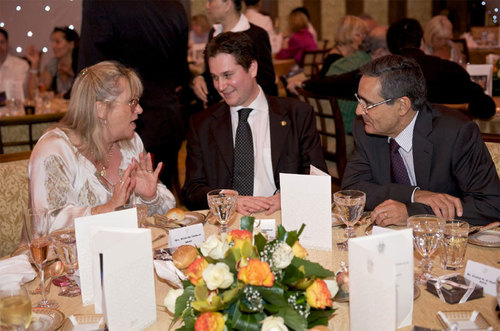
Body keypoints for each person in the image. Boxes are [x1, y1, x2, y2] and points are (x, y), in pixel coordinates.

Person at [341, 55, 500, 226]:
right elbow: (352, 189)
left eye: (368, 104)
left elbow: (491, 205)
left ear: (402, 105)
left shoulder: (455, 133)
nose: (359, 111)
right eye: (359, 100)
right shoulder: (366, 128)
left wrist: (412, 213)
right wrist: (414, 195)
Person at [182, 32, 327, 215]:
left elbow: (317, 177)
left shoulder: (297, 115)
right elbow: (192, 190)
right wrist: (228, 201)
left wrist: (287, 197)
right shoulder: (201, 124)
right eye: (215, 77)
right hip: (228, 224)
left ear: (252, 68)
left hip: (282, 217)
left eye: (227, 75)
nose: (220, 86)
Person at [29, 61, 176, 231]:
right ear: (101, 109)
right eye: (132, 102)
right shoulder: (55, 151)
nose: (140, 110)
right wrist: (107, 209)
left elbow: (168, 215)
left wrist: (150, 197)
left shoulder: (131, 143)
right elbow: (47, 225)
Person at [78, 0, 190, 199]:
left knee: (113, 199)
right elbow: (181, 72)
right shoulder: (174, 6)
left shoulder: (100, 4)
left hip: (119, 122)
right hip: (167, 119)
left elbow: (91, 72)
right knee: (162, 204)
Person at [290, 18, 495, 120]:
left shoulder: (384, 72)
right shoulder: (453, 70)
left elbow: (337, 84)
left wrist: (305, 82)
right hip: (451, 156)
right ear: (422, 41)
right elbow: (486, 107)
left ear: (391, 49)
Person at [193, 0, 277, 106]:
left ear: (228, 4)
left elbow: (267, 80)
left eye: (210, 1)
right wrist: (200, 78)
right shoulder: (214, 33)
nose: (207, 6)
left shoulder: (256, 35)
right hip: (218, 112)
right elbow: (212, 71)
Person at [26, 26, 79, 99]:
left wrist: (72, 74)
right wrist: (34, 64)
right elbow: (34, 96)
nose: (53, 46)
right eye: (53, 42)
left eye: (58, 42)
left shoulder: (81, 63)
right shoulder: (53, 63)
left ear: (71, 44)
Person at [0, 28, 29, 103]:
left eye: (1, 42)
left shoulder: (20, 65)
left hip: (15, 112)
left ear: (7, 43)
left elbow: (16, 95)